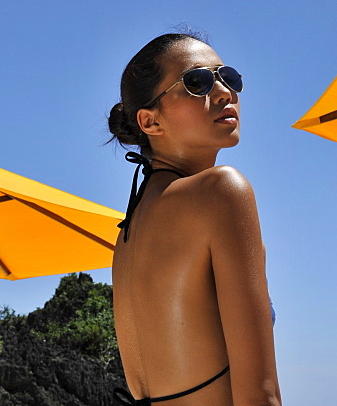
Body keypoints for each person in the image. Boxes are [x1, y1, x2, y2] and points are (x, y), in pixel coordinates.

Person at [108, 32, 282, 406]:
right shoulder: (221, 192)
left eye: (228, 77)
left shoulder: (128, 234)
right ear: (150, 122)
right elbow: (260, 394)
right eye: (197, 82)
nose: (224, 92)